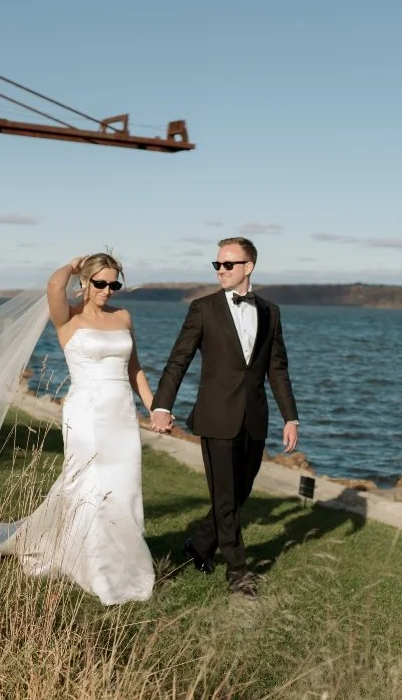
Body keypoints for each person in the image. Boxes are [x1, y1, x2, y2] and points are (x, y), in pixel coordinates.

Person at [0, 253, 156, 605]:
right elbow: (53, 285)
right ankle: (94, 561)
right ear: (85, 282)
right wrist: (70, 265)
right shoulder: (68, 318)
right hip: (86, 411)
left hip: (121, 412)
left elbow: (134, 367)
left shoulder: (123, 317)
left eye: (114, 284)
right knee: (88, 482)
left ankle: (119, 551)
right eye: (100, 283)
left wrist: (155, 407)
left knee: (123, 482)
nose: (108, 290)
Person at [150, 237, 299, 598]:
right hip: (216, 417)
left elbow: (277, 369)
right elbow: (178, 360)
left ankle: (199, 545)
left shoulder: (270, 311)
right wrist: (161, 405)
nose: (221, 270)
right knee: (226, 498)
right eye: (217, 265)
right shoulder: (203, 309)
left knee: (240, 491)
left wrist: (290, 417)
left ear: (248, 267)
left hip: (255, 417)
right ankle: (238, 572)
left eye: (228, 265)